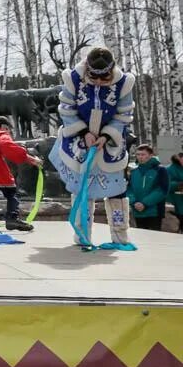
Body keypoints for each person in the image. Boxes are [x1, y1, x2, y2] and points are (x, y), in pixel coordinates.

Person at [48, 46, 135, 247]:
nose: (98, 82)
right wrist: (83, 132)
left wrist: (106, 136)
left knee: (116, 190)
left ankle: (120, 237)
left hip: (110, 143)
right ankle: (82, 236)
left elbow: (123, 114)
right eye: (94, 78)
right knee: (82, 188)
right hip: (79, 141)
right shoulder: (73, 78)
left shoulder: (124, 83)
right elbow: (66, 108)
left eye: (104, 78)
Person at [126, 145, 169, 231]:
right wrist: (134, 202)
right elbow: (129, 189)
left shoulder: (160, 170)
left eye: (143, 154)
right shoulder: (133, 171)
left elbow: (162, 190)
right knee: (141, 239)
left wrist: (144, 203)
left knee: (155, 240)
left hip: (154, 212)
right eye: (138, 154)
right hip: (137, 211)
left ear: (150, 155)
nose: (140, 157)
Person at [167, 152, 183, 233]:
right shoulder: (170, 169)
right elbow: (166, 184)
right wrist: (179, 185)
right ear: (180, 158)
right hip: (176, 200)